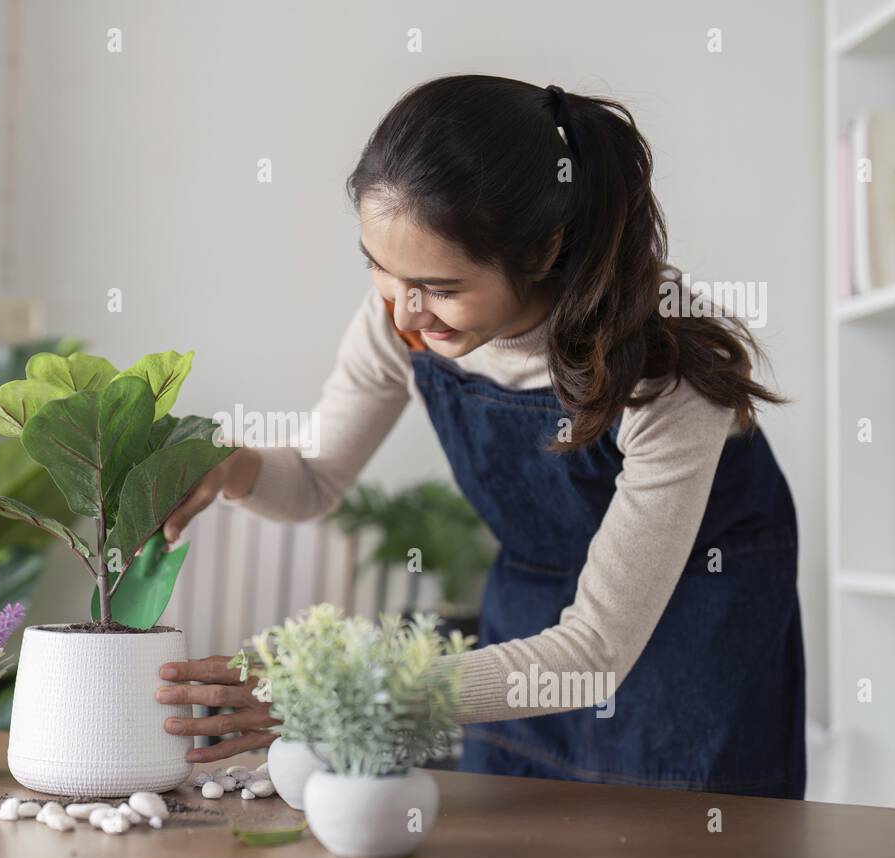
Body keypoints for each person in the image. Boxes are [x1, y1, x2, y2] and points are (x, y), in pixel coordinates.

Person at [153, 75, 805, 799]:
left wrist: (333, 692)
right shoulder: (398, 322)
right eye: (378, 267)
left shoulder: (665, 369)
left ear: (543, 250)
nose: (404, 312)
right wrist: (228, 467)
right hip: (532, 609)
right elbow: (313, 479)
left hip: (693, 621)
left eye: (440, 286)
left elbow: (594, 649)